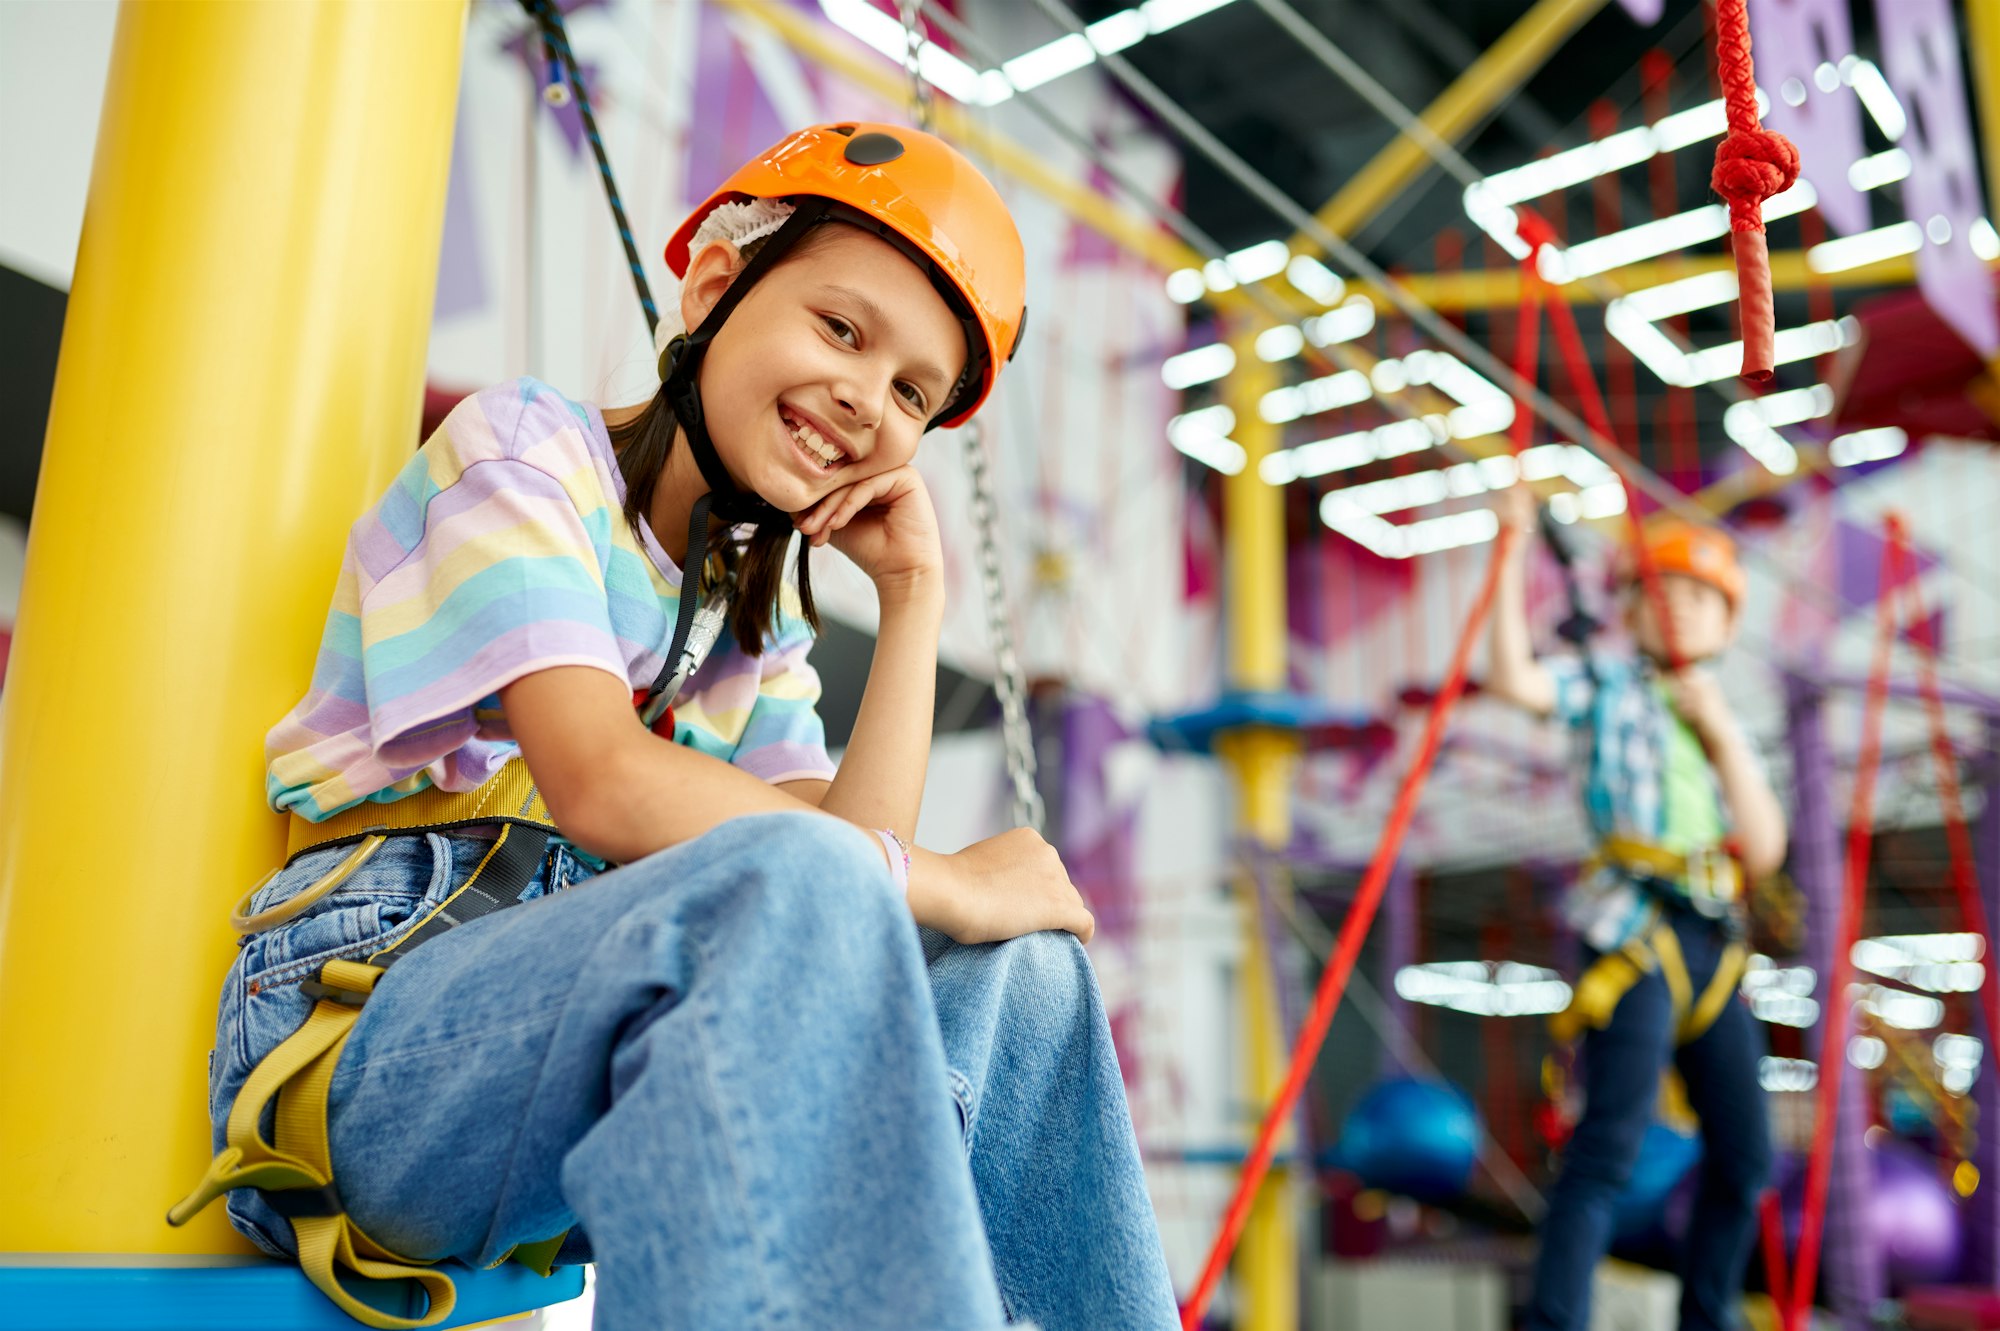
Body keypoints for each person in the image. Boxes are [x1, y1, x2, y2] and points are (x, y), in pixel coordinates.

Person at [181, 123, 1179, 1331]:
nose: (866, 399)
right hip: (370, 1042)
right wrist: (945, 881)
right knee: (822, 881)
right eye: (840, 330)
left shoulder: (748, 621)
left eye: (912, 392)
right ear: (715, 284)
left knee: (1022, 976)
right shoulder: (524, 453)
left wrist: (915, 600)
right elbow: (602, 781)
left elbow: (852, 883)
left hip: (591, 1076)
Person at [1484, 484, 1786, 1331]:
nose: (1683, 612)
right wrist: (1507, 554)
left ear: (1727, 624)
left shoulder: (1727, 721)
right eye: (1668, 595)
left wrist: (1720, 733)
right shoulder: (1607, 686)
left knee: (1745, 1155)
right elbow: (1515, 682)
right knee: (1607, 1145)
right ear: (1631, 610)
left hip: (1712, 942)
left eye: (1703, 600)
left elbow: (1763, 847)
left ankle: (1708, 1315)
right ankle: (1557, 1320)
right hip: (1632, 928)